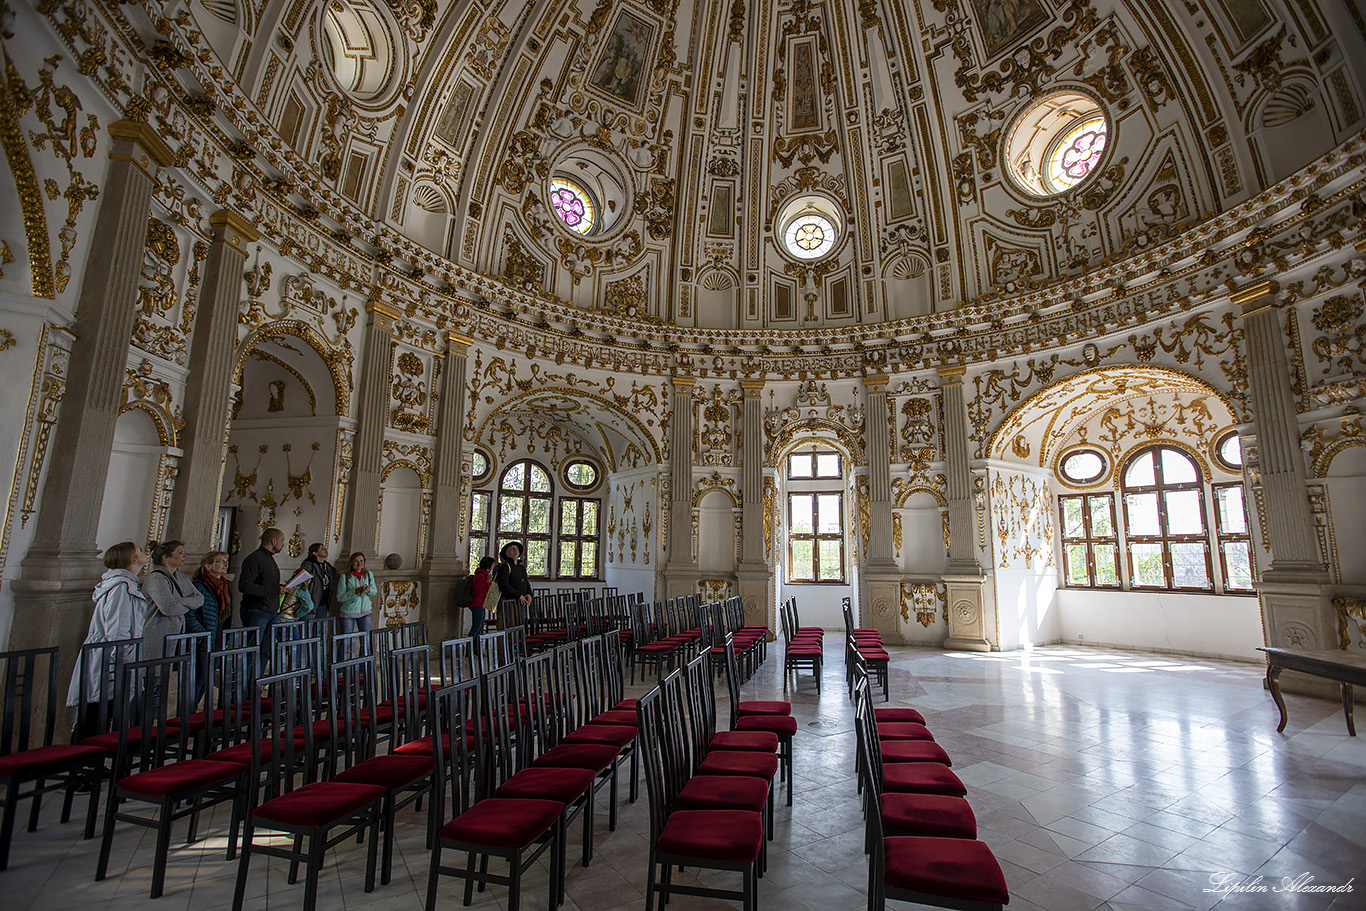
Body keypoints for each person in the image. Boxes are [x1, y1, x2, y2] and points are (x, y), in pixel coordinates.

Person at [67, 542, 148, 737]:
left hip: (115, 657)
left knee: (104, 712)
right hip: (111, 660)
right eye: (140, 550)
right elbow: (117, 630)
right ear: (132, 559)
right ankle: (83, 758)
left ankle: (90, 757)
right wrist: (125, 660)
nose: (145, 553)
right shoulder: (120, 588)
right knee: (96, 714)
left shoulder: (126, 584)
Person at [239, 528, 296, 660]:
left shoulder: (268, 558)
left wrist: (282, 588)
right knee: (252, 651)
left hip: (270, 610)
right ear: (273, 541)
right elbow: (245, 586)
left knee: (266, 650)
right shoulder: (255, 558)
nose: (283, 544)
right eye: (282, 541)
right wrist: (277, 590)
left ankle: (258, 679)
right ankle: (249, 680)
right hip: (257, 609)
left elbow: (267, 583)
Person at [142, 540, 203, 660]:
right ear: (165, 557)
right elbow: (169, 608)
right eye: (180, 553)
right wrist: (187, 603)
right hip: (156, 634)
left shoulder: (181, 578)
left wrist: (179, 601)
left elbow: (200, 599)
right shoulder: (156, 579)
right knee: (155, 675)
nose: (184, 556)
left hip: (175, 634)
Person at [188, 551, 231, 641]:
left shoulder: (225, 586)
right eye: (222, 562)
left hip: (220, 633)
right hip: (205, 636)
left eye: (226, 562)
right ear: (208, 566)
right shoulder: (199, 585)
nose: (226, 565)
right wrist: (201, 633)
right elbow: (190, 614)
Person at [491, 541, 532, 629]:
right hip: (508, 603)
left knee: (518, 627)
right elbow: (504, 585)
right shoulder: (505, 567)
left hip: (519, 602)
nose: (515, 550)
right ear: (507, 553)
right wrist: (517, 595)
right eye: (512, 549)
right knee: (507, 626)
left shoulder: (521, 568)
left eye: (516, 549)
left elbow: (525, 582)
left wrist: (529, 593)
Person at [336, 551, 376, 633]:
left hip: (365, 611)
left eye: (361, 561)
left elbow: (374, 591)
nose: (359, 564)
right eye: (356, 561)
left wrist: (368, 590)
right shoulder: (345, 577)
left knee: (366, 640)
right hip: (349, 612)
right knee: (347, 641)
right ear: (352, 563)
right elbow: (340, 597)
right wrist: (354, 592)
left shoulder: (368, 574)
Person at [300, 542, 335, 620]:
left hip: (324, 602)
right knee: (307, 629)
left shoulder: (328, 567)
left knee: (320, 629)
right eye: (322, 549)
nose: (325, 550)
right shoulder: (309, 565)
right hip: (311, 601)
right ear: (315, 553)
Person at [470, 556, 495, 643]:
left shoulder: (483, 574)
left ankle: (477, 651)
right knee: (476, 628)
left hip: (481, 603)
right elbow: (479, 590)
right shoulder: (481, 575)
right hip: (477, 603)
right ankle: (470, 652)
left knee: (480, 628)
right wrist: (487, 581)